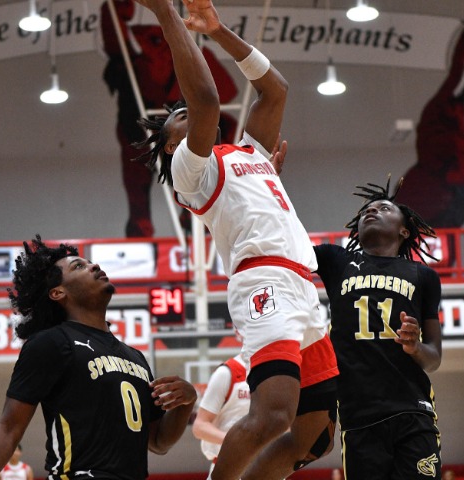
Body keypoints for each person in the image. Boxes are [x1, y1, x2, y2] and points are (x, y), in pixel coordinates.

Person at [132, 1, 338, 479]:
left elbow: (275, 89)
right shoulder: (191, 170)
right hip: (264, 283)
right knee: (273, 416)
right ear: (172, 146)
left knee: (315, 433)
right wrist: (166, 13)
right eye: (178, 118)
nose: (187, 113)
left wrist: (218, 30)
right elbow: (205, 100)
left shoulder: (250, 151)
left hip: (302, 285)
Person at [0, 235, 197, 480]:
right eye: (78, 266)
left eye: (90, 263)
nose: (94, 266)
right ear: (57, 292)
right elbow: (9, 426)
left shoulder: (135, 357)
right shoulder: (51, 342)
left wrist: (186, 403)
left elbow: (158, 442)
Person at [313, 176, 443, 479]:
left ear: (404, 230)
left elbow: (434, 358)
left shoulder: (423, 277)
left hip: (413, 411)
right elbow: (286, 243)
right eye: (366, 211)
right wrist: (268, 180)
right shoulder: (336, 260)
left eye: (384, 208)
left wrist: (415, 347)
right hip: (359, 417)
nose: (371, 211)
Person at [192, 351, 250, 473]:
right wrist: (237, 441)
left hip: (268, 465)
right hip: (229, 465)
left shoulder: (278, 373)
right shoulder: (226, 372)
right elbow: (199, 426)